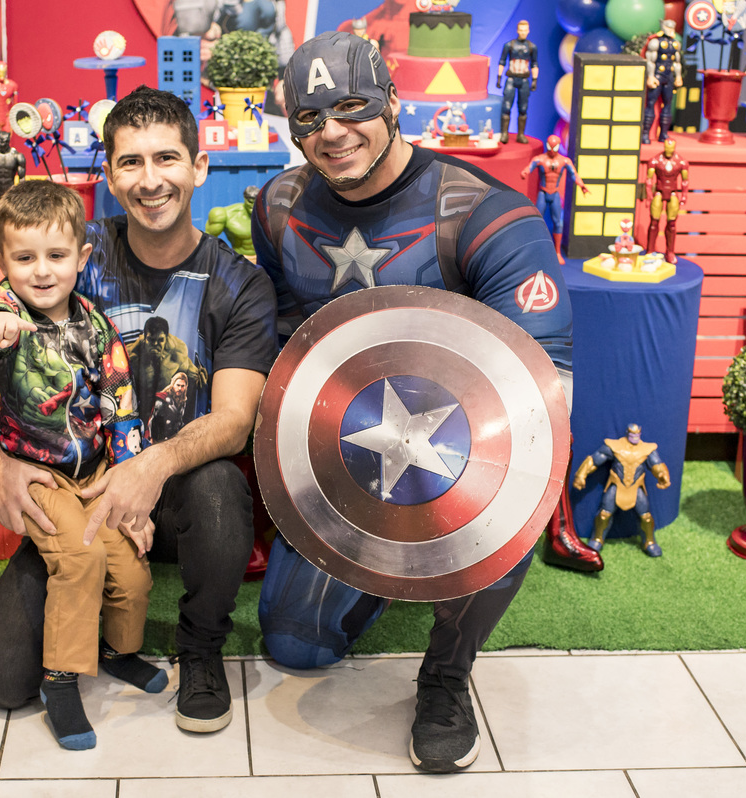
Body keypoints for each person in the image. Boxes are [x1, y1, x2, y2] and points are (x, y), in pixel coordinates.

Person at [251, 31, 575, 773]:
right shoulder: (278, 205)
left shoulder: (487, 218)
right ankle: (395, 564)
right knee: (298, 646)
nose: (330, 132)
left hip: (466, 458)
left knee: (517, 485)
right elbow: (279, 343)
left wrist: (479, 487)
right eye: (308, 118)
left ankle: (446, 670)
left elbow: (544, 389)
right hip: (346, 462)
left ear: (395, 102)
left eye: (352, 107)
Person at [0, 85, 279, 734]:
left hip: (179, 493)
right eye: (131, 162)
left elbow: (234, 418)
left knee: (219, 485)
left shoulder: (238, 283)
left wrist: (150, 466)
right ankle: (96, 618)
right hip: (75, 485)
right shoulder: (72, 251)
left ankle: (200, 647)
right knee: (2, 683)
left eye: (167, 159)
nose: (150, 179)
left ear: (199, 167)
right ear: (108, 174)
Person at [573, 424, 671, 556]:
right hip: (617, 485)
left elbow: (657, 464)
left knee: (646, 517)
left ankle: (649, 542)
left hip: (636, 487)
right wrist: (581, 474)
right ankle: (597, 539)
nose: (635, 437)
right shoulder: (615, 446)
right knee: (604, 514)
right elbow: (595, 459)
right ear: (627, 433)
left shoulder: (647, 449)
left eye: (637, 434)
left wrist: (662, 475)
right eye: (632, 434)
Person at [521, 134, 590, 264]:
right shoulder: (540, 159)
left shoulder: (564, 161)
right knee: (537, 220)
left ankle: (557, 252)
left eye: (555, 147)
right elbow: (530, 166)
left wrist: (581, 185)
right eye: (550, 147)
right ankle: (533, 250)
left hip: (555, 194)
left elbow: (573, 174)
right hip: (543, 192)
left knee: (558, 222)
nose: (552, 150)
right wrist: (525, 171)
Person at [645, 137, 689, 264]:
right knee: (654, 221)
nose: (668, 151)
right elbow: (649, 179)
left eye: (671, 149)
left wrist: (684, 195)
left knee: (672, 223)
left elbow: (685, 180)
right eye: (667, 149)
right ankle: (650, 250)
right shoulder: (655, 160)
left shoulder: (681, 162)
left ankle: (670, 251)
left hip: (673, 192)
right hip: (659, 191)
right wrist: (649, 195)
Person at [496, 20, 538, 144]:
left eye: (525, 30)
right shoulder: (509, 45)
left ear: (528, 31)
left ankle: (521, 134)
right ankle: (504, 134)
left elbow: (535, 63)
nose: (523, 32)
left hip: (524, 80)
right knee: (506, 106)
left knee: (523, 108)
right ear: (517, 30)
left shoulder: (531, 47)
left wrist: (534, 80)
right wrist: (498, 77)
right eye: (521, 30)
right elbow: (502, 61)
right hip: (511, 79)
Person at [642, 19, 682, 145]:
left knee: (668, 105)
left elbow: (676, 63)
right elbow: (650, 61)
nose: (671, 30)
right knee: (651, 104)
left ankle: (664, 134)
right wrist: (650, 77)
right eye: (669, 27)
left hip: (669, 77)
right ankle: (645, 134)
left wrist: (678, 77)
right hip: (657, 76)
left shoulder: (675, 44)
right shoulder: (655, 42)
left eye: (673, 27)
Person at [206, 185, 260, 260]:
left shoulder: (268, 214)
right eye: (250, 202)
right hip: (239, 259)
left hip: (264, 260)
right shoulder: (226, 214)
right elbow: (208, 240)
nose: (253, 206)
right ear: (245, 198)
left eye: (256, 202)